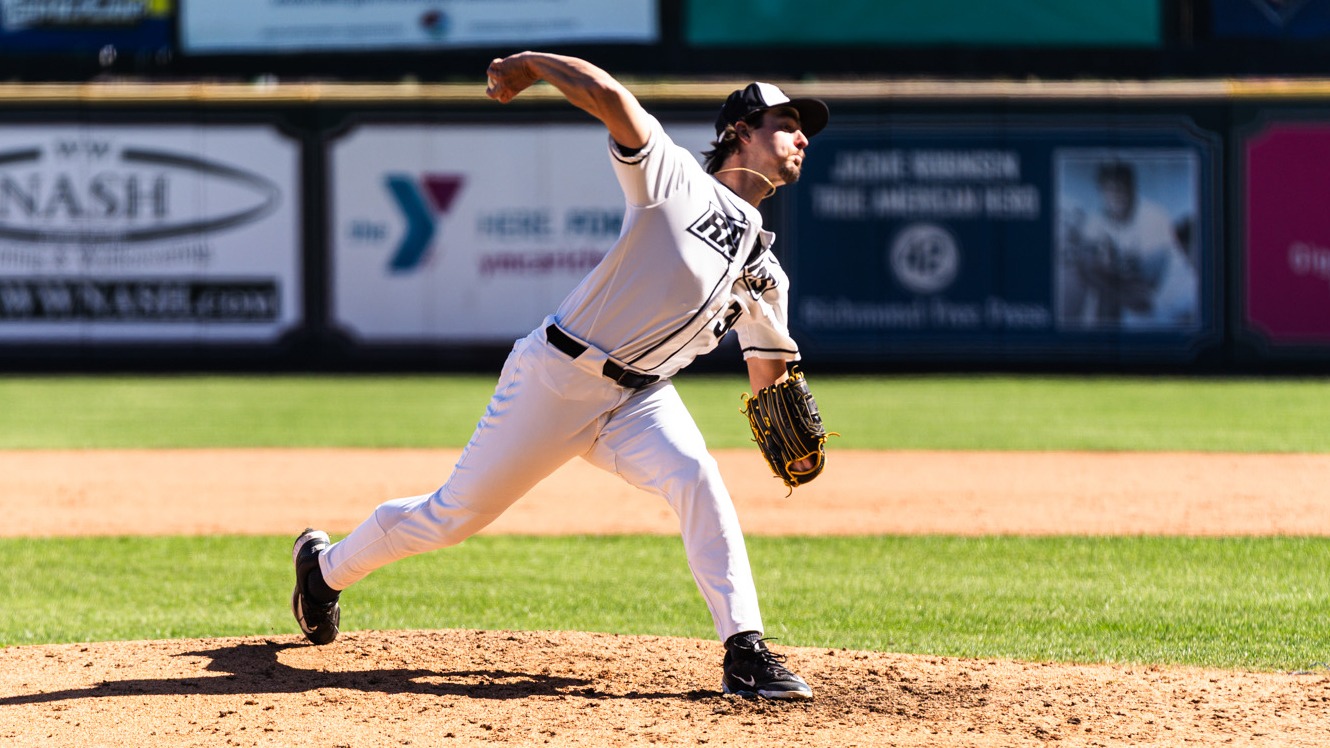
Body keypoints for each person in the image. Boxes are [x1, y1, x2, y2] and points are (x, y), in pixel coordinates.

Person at [291, 51, 829, 701]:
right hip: (556, 378)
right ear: (741, 129)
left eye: (804, 129)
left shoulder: (768, 275)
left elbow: (770, 373)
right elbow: (606, 93)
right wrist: (529, 66)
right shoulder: (675, 179)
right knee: (452, 516)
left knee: (696, 477)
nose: (801, 136)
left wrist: (792, 433)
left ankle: (745, 650)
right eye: (786, 122)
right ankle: (322, 573)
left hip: (641, 398)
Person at [1057, 160, 1199, 330]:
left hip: (1169, 297)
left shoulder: (1154, 216)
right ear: (1101, 192)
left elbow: (1147, 285)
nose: (1116, 194)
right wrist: (1106, 277)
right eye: (1109, 189)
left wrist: (1106, 276)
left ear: (1132, 188)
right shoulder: (1096, 220)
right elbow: (1086, 269)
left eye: (1121, 187)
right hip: (1130, 298)